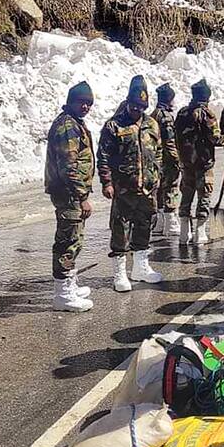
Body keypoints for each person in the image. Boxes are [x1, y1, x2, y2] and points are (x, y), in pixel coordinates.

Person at [98, 76, 163, 292]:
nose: (137, 110)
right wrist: (107, 183)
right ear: (127, 102)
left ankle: (140, 268)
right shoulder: (114, 125)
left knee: (145, 225)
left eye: (141, 107)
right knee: (120, 229)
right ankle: (120, 273)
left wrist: (157, 176)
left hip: (148, 189)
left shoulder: (151, 124)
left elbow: (158, 152)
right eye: (134, 105)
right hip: (124, 188)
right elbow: (104, 157)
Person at [45, 80, 96, 312]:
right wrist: (82, 196)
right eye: (81, 102)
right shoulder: (68, 126)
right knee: (68, 241)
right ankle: (63, 294)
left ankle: (68, 284)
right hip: (69, 193)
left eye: (89, 103)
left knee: (74, 239)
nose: (85, 107)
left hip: (70, 192)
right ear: (71, 102)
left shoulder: (73, 122)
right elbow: (68, 166)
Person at [174, 79, 224, 246]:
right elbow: (215, 138)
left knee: (186, 195)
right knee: (204, 195)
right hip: (203, 162)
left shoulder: (182, 113)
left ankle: (184, 233)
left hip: (186, 162)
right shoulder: (207, 114)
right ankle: (199, 234)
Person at [152, 83, 180, 236]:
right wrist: (176, 160)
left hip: (156, 159)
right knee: (170, 186)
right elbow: (169, 142)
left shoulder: (153, 114)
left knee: (159, 189)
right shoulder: (166, 117)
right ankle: (170, 223)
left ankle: (160, 222)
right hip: (166, 159)